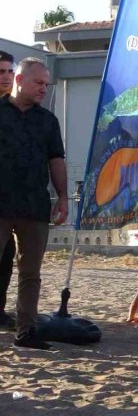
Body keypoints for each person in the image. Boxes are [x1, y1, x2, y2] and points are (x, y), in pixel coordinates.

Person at [0, 58, 68, 350]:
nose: (44, 89)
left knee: (31, 273)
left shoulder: (48, 120)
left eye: (46, 85)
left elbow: (56, 160)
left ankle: (26, 331)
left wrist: (63, 197)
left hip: (34, 206)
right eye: (38, 83)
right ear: (19, 80)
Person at [0, 51, 16, 330]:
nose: (5, 77)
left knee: (6, 255)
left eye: (9, 72)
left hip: (10, 200)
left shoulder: (17, 111)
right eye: (0, 72)